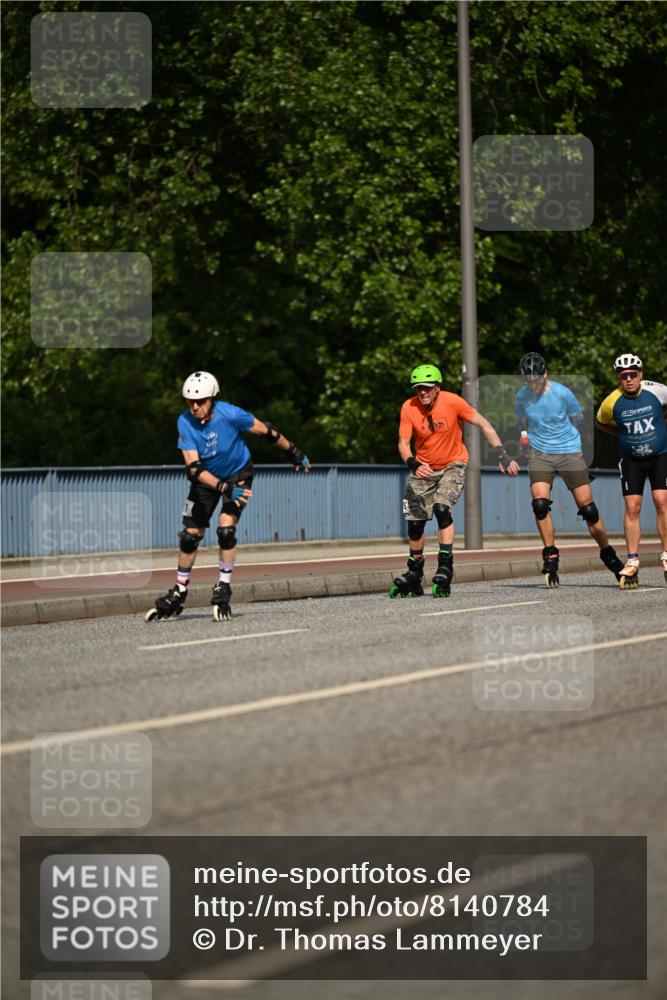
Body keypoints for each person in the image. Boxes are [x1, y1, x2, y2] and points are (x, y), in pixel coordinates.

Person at [146, 371, 311, 622]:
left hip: (239, 474)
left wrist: (294, 452)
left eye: (200, 400)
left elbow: (268, 432)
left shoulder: (230, 413)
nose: (195, 406)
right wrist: (222, 487)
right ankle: (179, 590)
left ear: (212, 399)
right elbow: (193, 468)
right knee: (191, 536)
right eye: (190, 401)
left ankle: (224, 584)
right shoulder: (184, 421)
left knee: (226, 528)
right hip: (208, 480)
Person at [391, 363, 520, 599]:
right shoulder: (408, 407)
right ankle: (414, 572)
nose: (422, 393)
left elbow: (483, 424)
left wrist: (503, 454)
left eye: (427, 388)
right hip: (423, 467)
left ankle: (445, 566)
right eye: (418, 388)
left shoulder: (452, 402)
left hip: (453, 464)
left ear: (438, 388)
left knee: (442, 509)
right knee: (415, 522)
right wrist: (413, 464)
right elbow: (403, 443)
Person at [514, 352, 624, 587]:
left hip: (568, 451)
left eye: (535, 379)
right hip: (540, 454)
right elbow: (522, 422)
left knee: (588, 509)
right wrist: (524, 437)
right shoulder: (522, 397)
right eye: (527, 380)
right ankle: (550, 555)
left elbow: (579, 421)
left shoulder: (563, 393)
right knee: (539, 504)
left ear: (545, 374)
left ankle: (608, 554)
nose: (532, 384)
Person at [595, 353, 667, 588]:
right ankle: (633, 560)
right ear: (618, 378)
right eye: (623, 375)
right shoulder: (611, 402)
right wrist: (620, 433)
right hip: (631, 460)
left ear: (641, 374)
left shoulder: (656, 390)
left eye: (633, 374)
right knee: (632, 506)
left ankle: (666, 553)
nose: (628, 379)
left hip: (660, 456)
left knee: (661, 499)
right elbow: (600, 422)